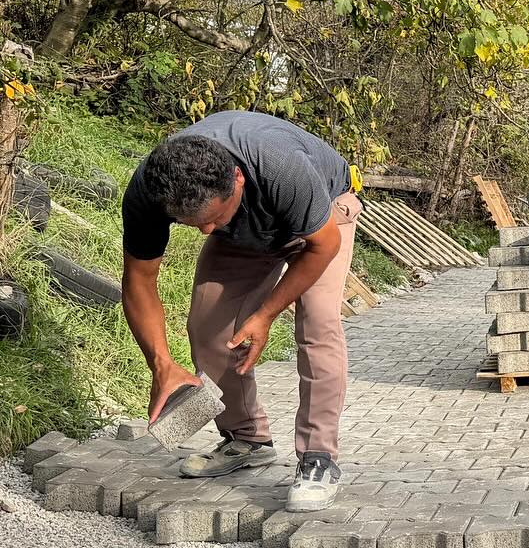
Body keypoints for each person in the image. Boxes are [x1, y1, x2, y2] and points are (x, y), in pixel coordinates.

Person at [120, 111, 363, 511]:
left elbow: (323, 247)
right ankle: (246, 438)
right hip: (246, 232)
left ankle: (319, 458)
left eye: (213, 217)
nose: (205, 232)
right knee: (209, 329)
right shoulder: (151, 188)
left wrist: (265, 313)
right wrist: (160, 363)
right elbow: (139, 282)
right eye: (192, 223)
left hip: (324, 217)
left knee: (318, 326)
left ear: (237, 179)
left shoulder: (280, 166)